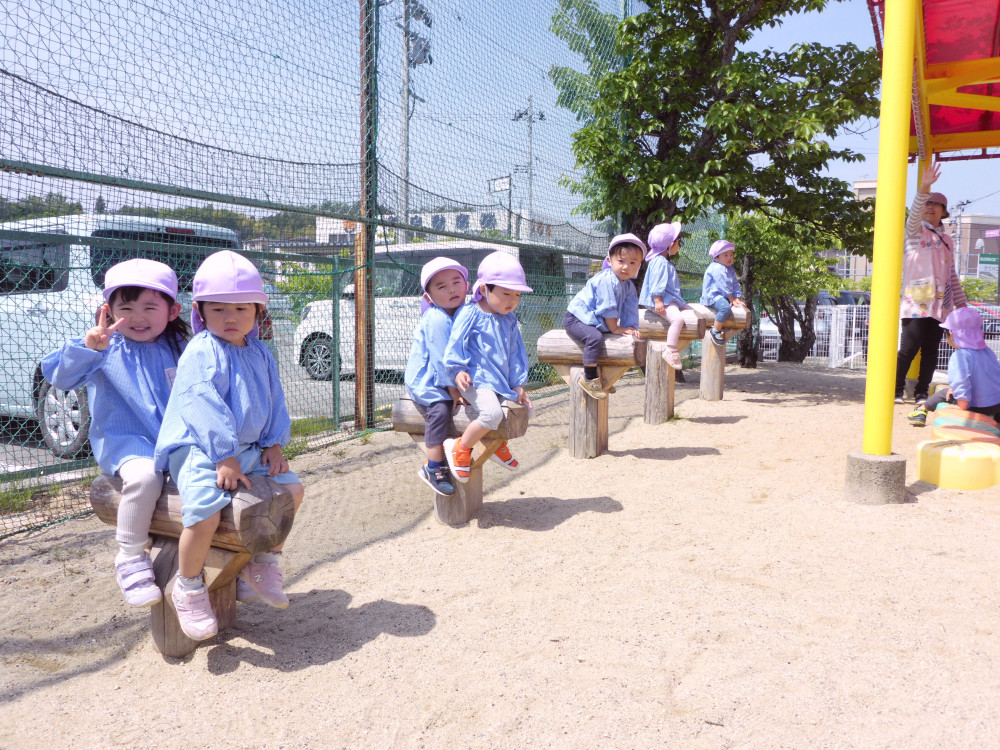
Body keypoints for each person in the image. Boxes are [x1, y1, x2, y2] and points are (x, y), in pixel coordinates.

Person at [154, 250, 305, 641]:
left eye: (241, 307)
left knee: (292, 489)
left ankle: (260, 561)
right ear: (201, 311)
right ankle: (188, 586)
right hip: (201, 448)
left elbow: (275, 398)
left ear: (258, 311)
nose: (231, 317)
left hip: (247, 448)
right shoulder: (202, 351)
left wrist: (274, 442)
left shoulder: (259, 351)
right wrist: (224, 456)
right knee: (204, 513)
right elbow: (200, 405)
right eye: (218, 309)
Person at [41, 259, 188, 608]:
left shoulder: (180, 347)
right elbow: (61, 378)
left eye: (150, 307)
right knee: (145, 479)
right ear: (107, 311)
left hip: (175, 440)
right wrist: (89, 348)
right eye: (126, 307)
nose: (137, 317)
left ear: (172, 311)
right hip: (127, 443)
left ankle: (230, 564)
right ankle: (130, 556)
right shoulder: (104, 347)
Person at [442, 251, 533, 483]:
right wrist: (458, 370)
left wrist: (518, 384)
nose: (512, 300)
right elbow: (456, 343)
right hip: (476, 380)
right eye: (505, 294)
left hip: (500, 381)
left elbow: (515, 354)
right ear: (484, 290)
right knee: (492, 413)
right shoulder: (470, 313)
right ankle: (460, 448)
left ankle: (496, 445)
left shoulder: (510, 320)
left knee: (520, 409)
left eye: (517, 295)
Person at [895, 161, 968, 405]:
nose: (930, 208)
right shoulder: (915, 232)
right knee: (908, 347)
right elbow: (914, 214)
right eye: (928, 203)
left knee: (931, 350)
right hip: (916, 302)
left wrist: (962, 305)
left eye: (936, 205)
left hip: (940, 307)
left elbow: (952, 274)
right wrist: (924, 188)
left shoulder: (947, 239)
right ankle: (895, 388)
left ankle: (921, 392)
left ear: (944, 211)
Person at [403, 257, 470, 496]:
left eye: (456, 282)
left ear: (466, 284)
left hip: (451, 375)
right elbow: (441, 359)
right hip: (427, 378)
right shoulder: (437, 318)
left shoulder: (466, 311)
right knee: (441, 410)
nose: (452, 289)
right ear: (429, 297)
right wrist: (453, 389)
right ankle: (433, 466)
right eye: (441, 286)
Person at [563, 233, 645, 399]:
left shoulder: (628, 285)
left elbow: (630, 309)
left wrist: (631, 328)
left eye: (632, 263)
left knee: (609, 340)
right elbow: (607, 308)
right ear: (609, 261)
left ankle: (605, 378)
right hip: (576, 319)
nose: (626, 267)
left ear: (639, 265)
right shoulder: (606, 279)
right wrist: (615, 328)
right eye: (620, 261)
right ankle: (590, 378)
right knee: (595, 338)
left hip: (595, 321)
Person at [908, 307, 1000, 426]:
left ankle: (921, 410)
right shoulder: (988, 352)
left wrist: (961, 407)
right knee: (951, 390)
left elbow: (961, 383)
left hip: (977, 407)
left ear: (952, 333)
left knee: (944, 393)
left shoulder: (960, 356)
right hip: (996, 404)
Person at [639, 221, 693, 370]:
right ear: (670, 245)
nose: (679, 246)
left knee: (691, 310)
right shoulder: (660, 262)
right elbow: (657, 282)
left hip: (670, 300)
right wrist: (657, 300)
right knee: (677, 319)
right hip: (663, 301)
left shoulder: (662, 261)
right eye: (678, 243)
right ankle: (671, 348)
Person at [700, 239, 745, 345]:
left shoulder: (730, 269)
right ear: (716, 257)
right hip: (713, 296)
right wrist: (731, 298)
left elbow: (735, 284)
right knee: (725, 308)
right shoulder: (717, 268)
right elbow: (722, 285)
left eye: (731, 254)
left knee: (730, 306)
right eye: (725, 255)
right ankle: (715, 330)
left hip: (723, 295)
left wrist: (737, 297)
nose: (730, 257)